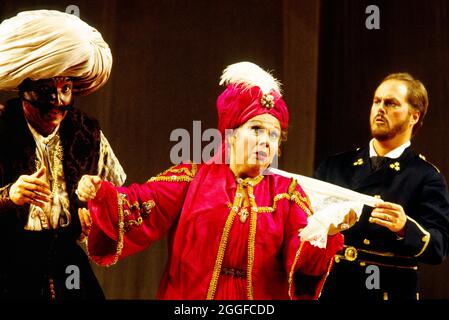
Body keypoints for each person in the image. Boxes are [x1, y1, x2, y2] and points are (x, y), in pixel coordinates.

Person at [76, 61, 354, 300]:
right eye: (256, 129)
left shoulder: (287, 195)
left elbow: (300, 258)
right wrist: (102, 194)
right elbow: (140, 204)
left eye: (272, 135)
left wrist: (323, 233)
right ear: (231, 134)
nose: (265, 141)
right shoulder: (191, 179)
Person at [0, 10, 126, 299]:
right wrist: (10, 196)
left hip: (65, 262)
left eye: (65, 89)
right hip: (8, 261)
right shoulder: (2, 127)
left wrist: (97, 214)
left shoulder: (87, 132)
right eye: (47, 90)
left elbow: (115, 200)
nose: (57, 101)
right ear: (25, 90)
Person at [314, 72, 449, 300]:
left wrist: (406, 228)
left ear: (414, 116)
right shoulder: (334, 166)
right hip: (334, 289)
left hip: (385, 293)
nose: (380, 108)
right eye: (377, 101)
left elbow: (440, 247)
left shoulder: (426, 176)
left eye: (391, 103)